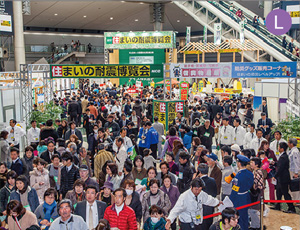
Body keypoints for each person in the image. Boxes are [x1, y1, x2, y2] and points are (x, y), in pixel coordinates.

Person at [230, 155, 254, 230]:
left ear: (239, 163)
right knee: (245, 216)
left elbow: (234, 191)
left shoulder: (238, 177)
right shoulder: (250, 173)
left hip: (239, 199)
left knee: (239, 217)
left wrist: (230, 200)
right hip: (246, 196)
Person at [272, 142, 296, 213]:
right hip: (281, 178)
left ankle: (291, 208)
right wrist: (275, 163)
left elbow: (280, 169)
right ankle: (278, 206)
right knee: (278, 192)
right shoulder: (283, 156)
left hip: (283, 178)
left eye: (279, 147)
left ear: (282, 149)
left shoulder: (283, 157)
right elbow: (280, 165)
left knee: (285, 193)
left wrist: (275, 176)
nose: (278, 148)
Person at [196, 164, 217, 230]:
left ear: (199, 172)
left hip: (200, 208)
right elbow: (215, 193)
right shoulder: (213, 180)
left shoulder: (197, 182)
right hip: (210, 207)